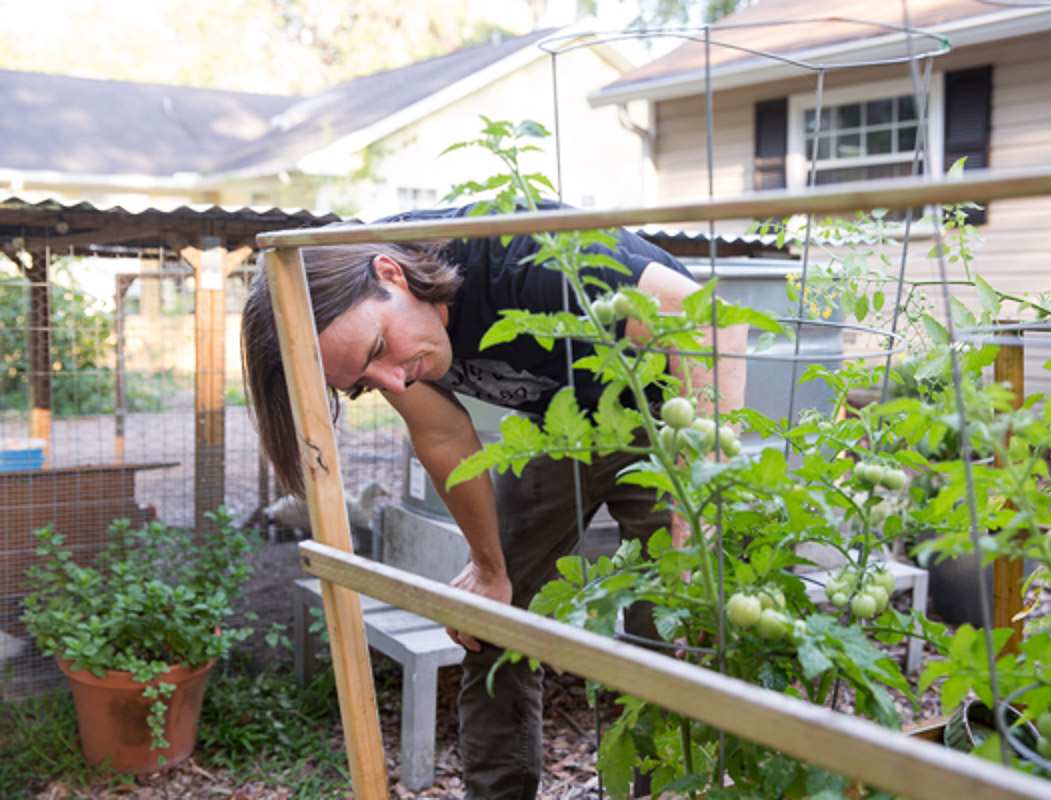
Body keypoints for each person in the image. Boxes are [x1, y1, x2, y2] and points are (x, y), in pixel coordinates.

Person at [241, 203, 745, 800]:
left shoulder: (517, 260)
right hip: (567, 427)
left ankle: (666, 790)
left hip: (670, 413)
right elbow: (444, 434)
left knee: (669, 622)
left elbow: (709, 323)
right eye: (361, 384)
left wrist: (698, 527)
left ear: (392, 274)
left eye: (380, 350)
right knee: (484, 622)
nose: (394, 383)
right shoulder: (385, 350)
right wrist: (489, 568)